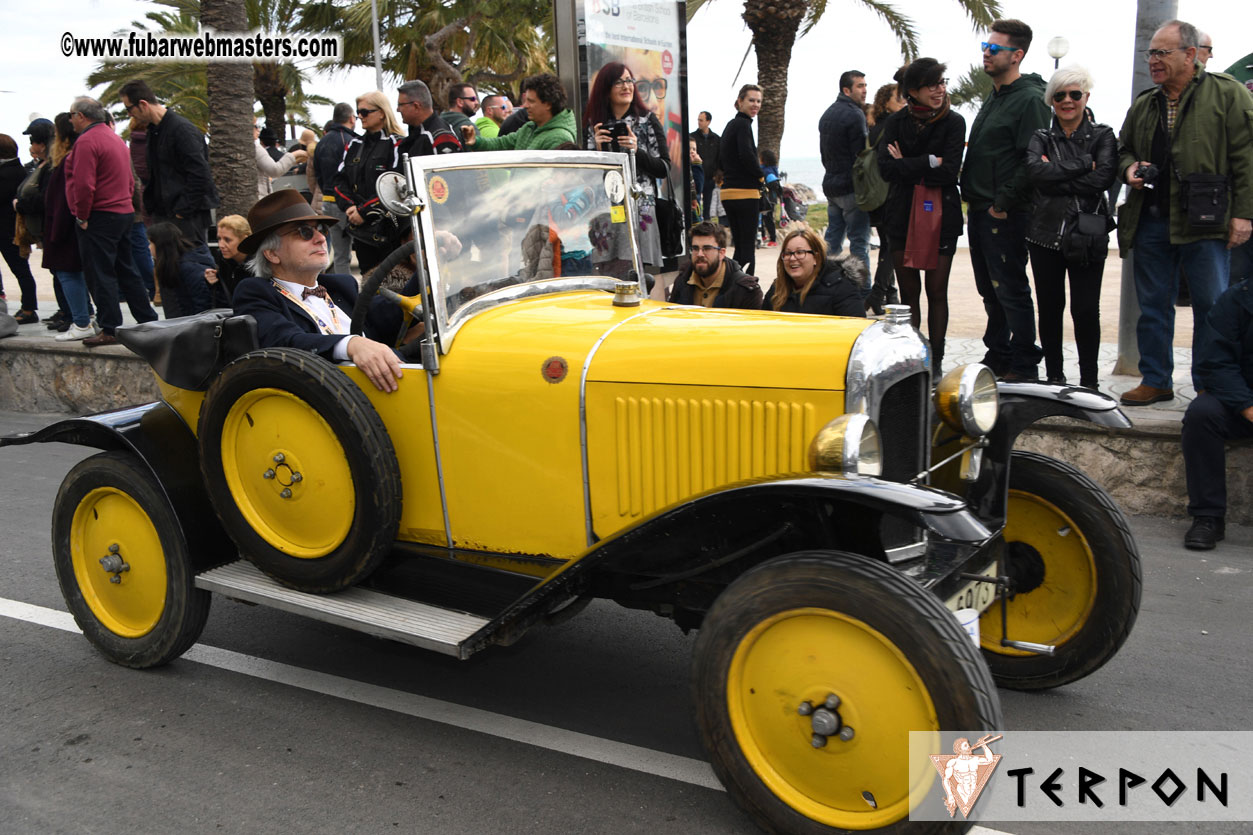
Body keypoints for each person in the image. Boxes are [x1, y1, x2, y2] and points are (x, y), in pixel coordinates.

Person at [1115, 19, 1253, 406]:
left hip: (1207, 222)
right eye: (1151, 53)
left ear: (1191, 55)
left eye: (1162, 52)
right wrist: (1129, 168)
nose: (1153, 60)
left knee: (1212, 308)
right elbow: (1123, 149)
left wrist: (1244, 214)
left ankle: (1209, 384)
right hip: (1152, 220)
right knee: (1153, 308)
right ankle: (1156, 380)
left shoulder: (1227, 93)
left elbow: (1247, 158)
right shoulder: (1145, 103)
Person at [232, 190, 416, 393]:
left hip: (391, 382)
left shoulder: (340, 285)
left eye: (321, 229)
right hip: (328, 398)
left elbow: (390, 314)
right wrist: (351, 345)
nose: (320, 238)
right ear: (272, 254)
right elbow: (284, 342)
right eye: (304, 232)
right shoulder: (256, 293)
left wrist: (428, 267)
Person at [960, 18, 1051, 381]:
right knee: (990, 290)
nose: (987, 53)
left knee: (1010, 288)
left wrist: (1003, 203)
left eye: (995, 48)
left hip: (1005, 212)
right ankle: (998, 354)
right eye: (986, 46)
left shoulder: (1029, 99)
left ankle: (1024, 362)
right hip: (981, 207)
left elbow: (1032, 159)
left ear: (1017, 55)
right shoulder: (996, 96)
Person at [1024, 66, 1118, 389]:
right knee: (1050, 309)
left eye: (1075, 94)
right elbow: (1035, 174)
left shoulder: (1103, 135)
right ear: (1051, 100)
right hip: (1044, 233)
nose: (1067, 100)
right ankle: (1054, 376)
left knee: (1086, 310)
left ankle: (1089, 382)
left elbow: (1102, 179)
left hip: (1088, 234)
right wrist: (1083, 164)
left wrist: (1055, 175)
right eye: (1060, 95)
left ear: (1086, 97)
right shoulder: (1041, 137)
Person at [879, 58, 966, 377]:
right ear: (913, 91)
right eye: (931, 85)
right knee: (908, 294)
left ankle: (937, 359)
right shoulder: (896, 122)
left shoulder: (954, 122)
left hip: (942, 215)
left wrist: (908, 163)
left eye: (942, 82)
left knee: (937, 292)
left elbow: (950, 172)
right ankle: (914, 360)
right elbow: (886, 169)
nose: (939, 90)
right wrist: (930, 161)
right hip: (901, 214)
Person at [65, 96, 158, 347]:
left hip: (100, 214)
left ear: (81, 116)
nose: (70, 120)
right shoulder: (114, 138)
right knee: (127, 269)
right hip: (122, 212)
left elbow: (84, 184)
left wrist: (82, 215)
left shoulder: (87, 141)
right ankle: (147, 319)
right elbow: (129, 180)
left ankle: (110, 327)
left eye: (71, 115)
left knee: (100, 272)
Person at [1181, 279, 1253, 550]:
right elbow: (1215, 362)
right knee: (1202, 415)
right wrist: (1247, 406)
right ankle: (1207, 516)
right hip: (1241, 401)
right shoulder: (1236, 300)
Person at [582, 61, 670, 271]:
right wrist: (599, 151)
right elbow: (587, 175)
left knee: (643, 271)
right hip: (606, 208)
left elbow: (663, 168)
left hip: (641, 207)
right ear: (606, 88)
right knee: (608, 270)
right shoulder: (595, 123)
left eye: (629, 80)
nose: (626, 86)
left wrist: (636, 151)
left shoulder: (647, 121)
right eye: (618, 82)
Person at [119, 79, 220, 243]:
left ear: (143, 104)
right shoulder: (154, 130)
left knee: (192, 258)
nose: (129, 114)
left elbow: (200, 174)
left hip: (186, 220)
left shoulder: (182, 130)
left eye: (129, 108)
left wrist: (182, 211)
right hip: (165, 217)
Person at [332, 91, 407, 274]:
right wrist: (350, 207)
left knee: (396, 278)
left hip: (390, 229)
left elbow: (397, 184)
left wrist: (364, 211)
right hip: (361, 231)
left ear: (381, 113)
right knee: (368, 279)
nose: (360, 116)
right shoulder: (354, 144)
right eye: (358, 112)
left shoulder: (396, 143)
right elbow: (339, 181)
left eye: (365, 112)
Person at [42, 114, 98, 342]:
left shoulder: (68, 160)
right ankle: (86, 318)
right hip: (70, 225)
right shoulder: (75, 157)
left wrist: (57, 232)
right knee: (76, 273)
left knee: (68, 273)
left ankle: (82, 322)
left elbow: (67, 199)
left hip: (65, 227)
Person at [820, 69, 872, 276]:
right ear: (846, 90)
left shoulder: (828, 113)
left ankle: (821, 281)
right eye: (860, 86)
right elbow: (861, 156)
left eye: (865, 85)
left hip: (831, 185)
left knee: (832, 241)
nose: (865, 90)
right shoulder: (855, 114)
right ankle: (862, 290)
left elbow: (825, 154)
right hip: (851, 188)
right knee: (859, 243)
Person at [864, 82, 906, 315]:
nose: (903, 101)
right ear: (886, 102)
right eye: (898, 98)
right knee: (891, 246)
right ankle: (878, 293)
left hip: (876, 194)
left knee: (887, 245)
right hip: (890, 193)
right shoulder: (892, 125)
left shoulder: (874, 126)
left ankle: (889, 293)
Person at [764, 226, 866, 317]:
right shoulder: (776, 288)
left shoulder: (842, 288)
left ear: (816, 258)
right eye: (787, 253)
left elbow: (856, 327)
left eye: (800, 252)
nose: (792, 258)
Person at [461, 74, 577, 152]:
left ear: (548, 104)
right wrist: (476, 141)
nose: (525, 106)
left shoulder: (559, 138)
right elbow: (502, 143)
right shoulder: (529, 128)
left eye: (531, 101)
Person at [720, 84, 766, 276]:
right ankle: (747, 287)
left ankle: (734, 284)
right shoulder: (743, 125)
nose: (755, 105)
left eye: (759, 101)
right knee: (747, 248)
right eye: (751, 100)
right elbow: (747, 155)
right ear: (740, 101)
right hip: (745, 193)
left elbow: (720, 158)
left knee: (740, 247)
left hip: (728, 193)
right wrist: (761, 176)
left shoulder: (731, 125)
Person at [668, 221, 762, 309]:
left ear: (721, 253)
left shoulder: (745, 290)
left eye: (707, 248)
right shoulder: (683, 279)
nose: (700, 254)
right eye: (695, 248)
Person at [0, 134, 40, 325]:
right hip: (8, 229)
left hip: (7, 230)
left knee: (20, 269)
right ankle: (28, 307)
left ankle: (29, 308)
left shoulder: (8, 173)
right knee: (21, 269)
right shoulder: (17, 170)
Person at [313, 104, 357, 275]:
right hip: (347, 205)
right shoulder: (350, 141)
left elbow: (317, 173)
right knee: (362, 250)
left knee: (340, 255)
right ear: (351, 118)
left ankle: (343, 288)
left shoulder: (322, 142)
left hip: (327, 203)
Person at [146, 221, 213, 318]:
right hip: (180, 322)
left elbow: (202, 305)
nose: (149, 247)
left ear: (160, 245)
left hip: (193, 323)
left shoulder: (189, 268)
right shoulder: (168, 265)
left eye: (151, 243)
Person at [396, 80, 462, 158]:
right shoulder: (416, 135)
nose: (398, 109)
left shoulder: (441, 138)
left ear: (416, 106)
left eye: (400, 105)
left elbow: (449, 165)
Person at [206, 214, 252, 308]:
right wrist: (214, 284)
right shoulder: (222, 260)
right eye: (219, 239)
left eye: (227, 240)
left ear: (244, 239)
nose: (221, 245)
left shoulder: (260, 266)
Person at [254, 124, 306, 198]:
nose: (258, 130)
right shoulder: (257, 149)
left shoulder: (257, 149)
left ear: (261, 141)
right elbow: (275, 170)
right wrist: (295, 154)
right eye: (256, 126)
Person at [690, 111, 721, 220]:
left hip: (710, 178)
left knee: (708, 205)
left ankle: (706, 225)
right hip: (696, 176)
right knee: (696, 203)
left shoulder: (716, 139)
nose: (699, 122)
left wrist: (717, 173)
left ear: (708, 122)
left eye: (701, 120)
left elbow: (719, 158)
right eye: (698, 120)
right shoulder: (692, 137)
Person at [759, 149, 781, 246]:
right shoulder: (773, 169)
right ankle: (765, 236)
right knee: (767, 218)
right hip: (772, 198)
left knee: (766, 218)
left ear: (763, 159)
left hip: (766, 198)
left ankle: (771, 238)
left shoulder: (766, 171)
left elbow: (771, 183)